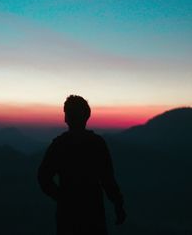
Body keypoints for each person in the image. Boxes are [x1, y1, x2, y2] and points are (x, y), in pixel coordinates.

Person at [38, 95, 126, 235]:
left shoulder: (59, 145)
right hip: (93, 212)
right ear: (87, 116)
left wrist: (62, 197)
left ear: (66, 118)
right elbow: (107, 179)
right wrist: (118, 203)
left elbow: (43, 177)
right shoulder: (97, 144)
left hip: (67, 216)